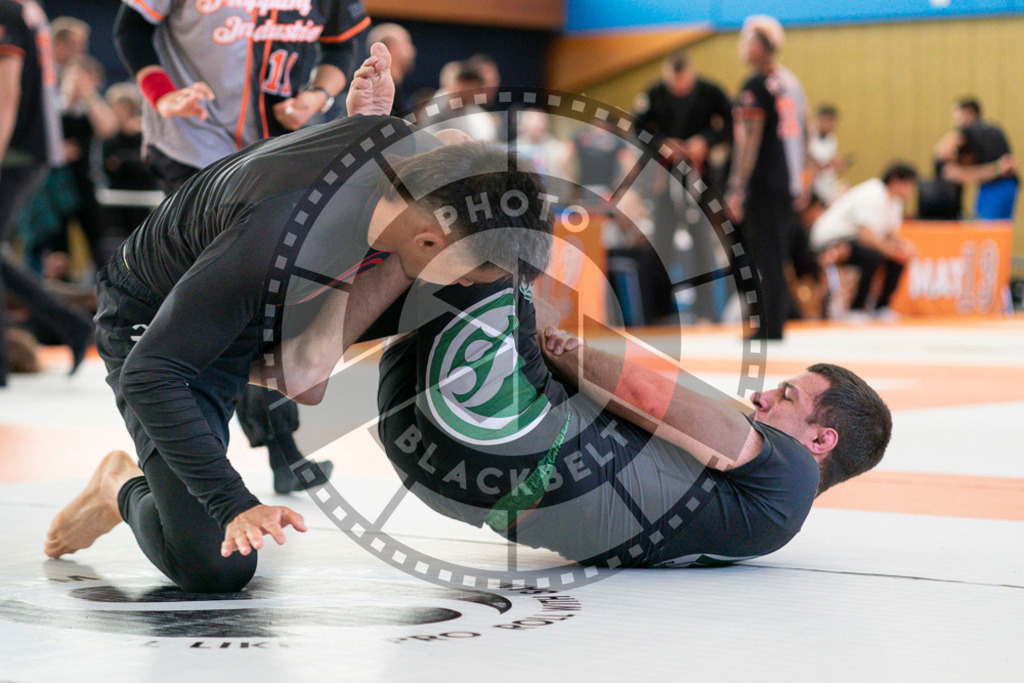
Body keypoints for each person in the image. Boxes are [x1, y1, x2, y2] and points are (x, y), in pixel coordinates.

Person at [43, 44, 553, 593]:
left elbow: (459, 155)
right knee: (213, 566)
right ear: (429, 237)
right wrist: (234, 503)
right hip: (166, 318)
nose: (457, 284)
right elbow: (152, 372)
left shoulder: (433, 164)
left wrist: (538, 343)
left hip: (281, 294)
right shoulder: (275, 236)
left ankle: (311, 365)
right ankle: (118, 483)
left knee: (494, 279)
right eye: (455, 268)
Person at [375, 272, 891, 568]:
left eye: (786, 396)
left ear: (822, 439)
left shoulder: (792, 472)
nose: (759, 397)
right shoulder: (758, 518)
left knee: (491, 212)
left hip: (510, 440)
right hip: (445, 473)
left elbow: (647, 395)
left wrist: (560, 345)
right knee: (426, 266)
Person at [113, 0, 370, 493]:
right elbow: (131, 27)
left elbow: (343, 45)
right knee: (223, 296)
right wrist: (162, 94)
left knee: (271, 296)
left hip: (276, 147)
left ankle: (273, 447)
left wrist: (317, 96)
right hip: (193, 143)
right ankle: (195, 450)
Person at [1, 0, 93, 386]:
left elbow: (6, 92)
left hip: (15, 150)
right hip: (29, 148)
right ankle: (70, 324)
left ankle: (71, 324)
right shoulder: (26, 9)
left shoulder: (6, 11)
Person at [725, 15, 808, 340]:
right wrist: (800, 179)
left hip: (763, 182)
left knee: (763, 255)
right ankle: (774, 322)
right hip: (784, 179)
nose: (742, 49)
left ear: (759, 46)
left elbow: (751, 138)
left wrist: (736, 186)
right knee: (775, 254)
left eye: (746, 42)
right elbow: (803, 131)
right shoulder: (788, 82)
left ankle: (770, 325)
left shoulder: (755, 85)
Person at [810, 164, 918, 322]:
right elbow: (866, 235)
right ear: (895, 181)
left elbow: (889, 234)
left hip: (855, 240)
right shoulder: (873, 194)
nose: (911, 191)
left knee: (898, 259)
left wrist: (905, 247)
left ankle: (882, 307)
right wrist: (890, 249)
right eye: (909, 185)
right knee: (872, 256)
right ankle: (856, 308)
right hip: (831, 239)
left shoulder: (896, 202)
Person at [934, 97, 1018, 220]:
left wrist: (958, 171)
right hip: (1010, 186)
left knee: (985, 231)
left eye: (957, 116)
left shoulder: (969, 130)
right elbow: (1009, 163)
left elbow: (941, 150)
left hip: (993, 188)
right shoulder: (994, 129)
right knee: (1001, 230)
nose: (955, 121)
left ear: (969, 113)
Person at [366, 22, 416, 115]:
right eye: (407, 44)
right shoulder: (378, 98)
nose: (412, 50)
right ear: (392, 49)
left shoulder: (396, 92)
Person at [806, 103, 847, 208]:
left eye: (831, 121)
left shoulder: (832, 139)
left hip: (826, 186)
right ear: (818, 119)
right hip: (810, 188)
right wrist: (825, 165)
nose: (829, 124)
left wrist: (836, 164)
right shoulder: (808, 137)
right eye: (826, 120)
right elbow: (809, 164)